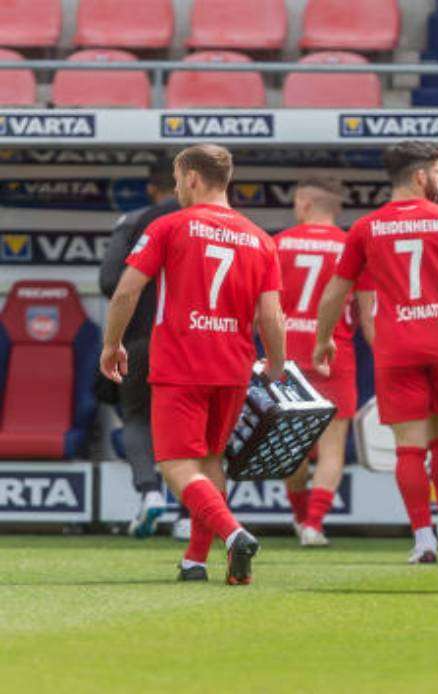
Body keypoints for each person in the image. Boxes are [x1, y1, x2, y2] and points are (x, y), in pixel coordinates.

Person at [100, 144, 286, 585]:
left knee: (175, 463)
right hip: (233, 365)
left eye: (181, 180)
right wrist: (276, 364)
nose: (179, 188)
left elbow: (125, 292)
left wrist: (112, 344)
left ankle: (234, 533)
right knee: (211, 460)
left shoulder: (170, 226)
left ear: (192, 179)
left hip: (181, 362)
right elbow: (271, 315)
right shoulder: (260, 239)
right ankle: (195, 561)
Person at [313, 142, 438, 564]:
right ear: (420, 176)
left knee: (409, 447)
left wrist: (323, 338)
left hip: (396, 346)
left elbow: (337, 290)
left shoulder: (366, 228)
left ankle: (423, 540)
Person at [276, 176, 374, 547]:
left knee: (290, 444)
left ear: (303, 204)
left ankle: (301, 518)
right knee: (332, 446)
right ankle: (315, 525)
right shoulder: (352, 247)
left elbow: (260, 310)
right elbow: (368, 317)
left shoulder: (279, 244)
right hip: (335, 355)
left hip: (286, 354)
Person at [99, 159, 181, 539]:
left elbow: (111, 282)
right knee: (193, 423)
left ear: (153, 187)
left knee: (135, 416)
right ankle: (191, 513)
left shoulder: (134, 221)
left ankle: (149, 493)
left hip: (141, 337)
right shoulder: (217, 224)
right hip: (195, 339)